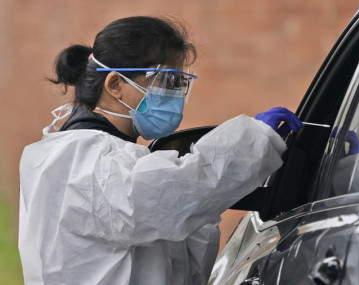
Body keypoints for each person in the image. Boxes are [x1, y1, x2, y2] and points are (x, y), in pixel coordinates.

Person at [18, 16, 303, 284]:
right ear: (115, 84)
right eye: (166, 80)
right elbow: (181, 192)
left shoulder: (58, 154)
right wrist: (256, 138)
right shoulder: (92, 160)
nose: (174, 94)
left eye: (180, 83)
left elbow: (177, 243)